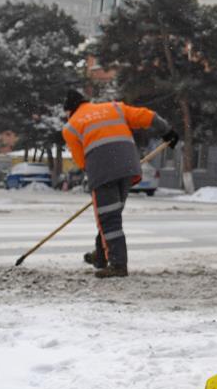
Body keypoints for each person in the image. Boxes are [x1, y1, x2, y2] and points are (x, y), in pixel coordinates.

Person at [61, 91, 178, 278]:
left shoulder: (70, 127)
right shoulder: (114, 107)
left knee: (109, 218)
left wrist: (94, 174)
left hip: (103, 170)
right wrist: (167, 131)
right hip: (128, 166)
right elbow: (147, 116)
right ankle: (101, 255)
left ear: (69, 110)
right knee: (111, 214)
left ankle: (118, 265)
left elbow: (82, 161)